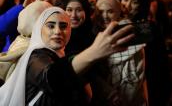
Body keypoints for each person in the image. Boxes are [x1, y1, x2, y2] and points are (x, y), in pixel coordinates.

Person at [0, 7, 134, 105]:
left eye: (63, 26)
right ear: (39, 30)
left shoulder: (61, 56)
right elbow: (52, 77)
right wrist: (94, 52)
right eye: (51, 26)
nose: (58, 31)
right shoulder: (35, 56)